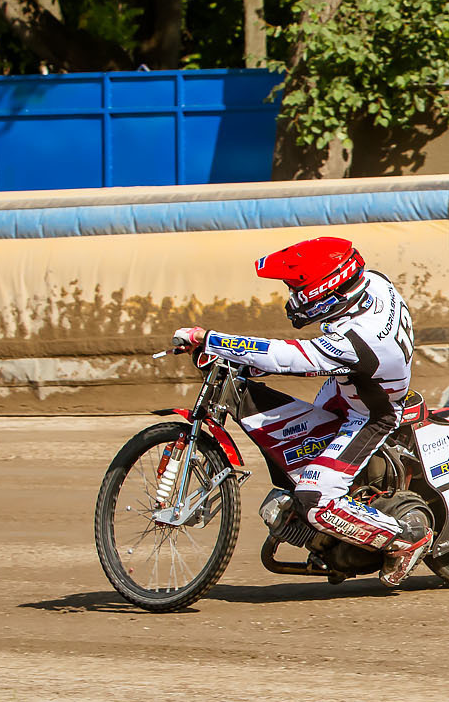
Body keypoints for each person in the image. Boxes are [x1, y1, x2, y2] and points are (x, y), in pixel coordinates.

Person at [171, 235, 434, 589]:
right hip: (354, 385)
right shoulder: (372, 282)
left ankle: (403, 541)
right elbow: (292, 360)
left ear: (325, 291)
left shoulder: (355, 340)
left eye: (298, 289)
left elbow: (288, 357)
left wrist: (212, 339)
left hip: (371, 414)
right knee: (293, 448)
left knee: (312, 498)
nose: (292, 297)